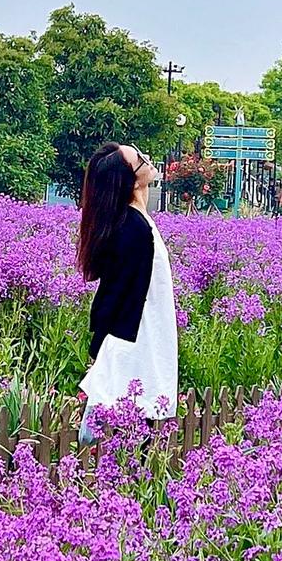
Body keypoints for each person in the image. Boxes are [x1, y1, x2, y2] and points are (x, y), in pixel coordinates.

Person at [76, 141, 179, 444]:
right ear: (132, 181)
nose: (148, 160)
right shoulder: (131, 229)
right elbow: (115, 293)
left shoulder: (135, 220)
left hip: (140, 338)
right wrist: (100, 348)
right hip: (132, 343)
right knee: (127, 432)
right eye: (140, 159)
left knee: (131, 432)